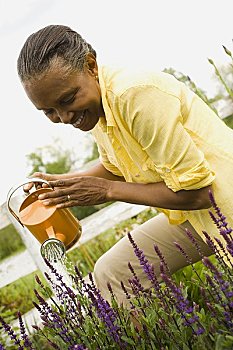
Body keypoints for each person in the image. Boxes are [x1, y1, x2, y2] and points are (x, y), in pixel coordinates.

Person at [17, 24, 233, 305]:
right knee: (113, 273)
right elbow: (114, 166)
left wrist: (107, 191)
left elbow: (202, 194)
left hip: (223, 200)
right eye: (49, 111)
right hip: (197, 217)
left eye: (67, 100)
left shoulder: (134, 95)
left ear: (91, 65)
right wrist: (64, 186)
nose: (65, 116)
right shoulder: (95, 107)